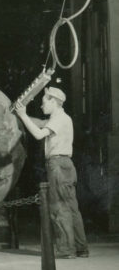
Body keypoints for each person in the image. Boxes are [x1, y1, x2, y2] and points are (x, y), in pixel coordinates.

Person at [15, 86, 88, 259]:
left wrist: (24, 115)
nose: (41, 106)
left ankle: (65, 250)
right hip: (67, 165)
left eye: (43, 102)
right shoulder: (62, 118)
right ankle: (80, 248)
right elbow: (41, 123)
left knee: (58, 207)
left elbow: (39, 134)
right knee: (71, 208)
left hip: (57, 166)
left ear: (54, 101)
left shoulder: (59, 119)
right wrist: (19, 116)